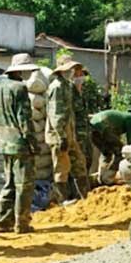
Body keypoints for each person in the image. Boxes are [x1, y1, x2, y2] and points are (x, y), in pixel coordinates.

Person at [0, 53, 37, 233]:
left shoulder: (2, 87)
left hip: (5, 142)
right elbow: (24, 118)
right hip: (19, 143)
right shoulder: (20, 88)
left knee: (9, 183)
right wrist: (32, 142)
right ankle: (22, 223)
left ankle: (2, 222)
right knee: (24, 185)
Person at [45, 58, 91, 202]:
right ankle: (62, 201)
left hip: (69, 133)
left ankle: (86, 198)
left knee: (79, 164)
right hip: (59, 135)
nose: (72, 72)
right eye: (70, 69)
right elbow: (55, 114)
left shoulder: (67, 86)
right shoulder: (57, 87)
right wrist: (61, 136)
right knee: (61, 168)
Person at [89, 109, 131, 179]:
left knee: (106, 153)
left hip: (93, 129)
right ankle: (108, 177)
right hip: (103, 126)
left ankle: (101, 176)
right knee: (120, 152)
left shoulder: (120, 118)